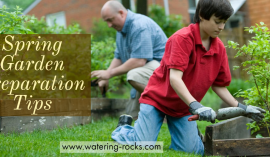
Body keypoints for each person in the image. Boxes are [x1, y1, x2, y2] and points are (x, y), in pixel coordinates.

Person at [111, 0, 266, 155]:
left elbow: (219, 85)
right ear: (202, 16)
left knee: (192, 151)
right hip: (157, 100)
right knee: (142, 146)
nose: (222, 27)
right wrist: (196, 105)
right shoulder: (182, 38)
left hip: (183, 107)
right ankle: (124, 129)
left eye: (224, 22)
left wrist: (242, 108)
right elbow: (175, 78)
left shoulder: (218, 48)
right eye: (217, 22)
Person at [91, 0, 168, 118]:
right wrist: (105, 76)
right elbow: (119, 57)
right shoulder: (120, 30)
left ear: (121, 13)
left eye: (110, 20)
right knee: (131, 116)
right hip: (147, 72)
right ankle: (154, 112)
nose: (109, 25)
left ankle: (167, 107)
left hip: (165, 71)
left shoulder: (139, 25)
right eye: (106, 21)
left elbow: (139, 61)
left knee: (134, 74)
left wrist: (110, 73)